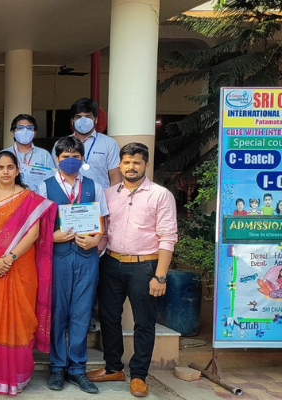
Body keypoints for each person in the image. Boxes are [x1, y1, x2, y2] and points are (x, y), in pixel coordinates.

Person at [87, 143, 177, 398]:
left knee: (144, 322)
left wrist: (160, 275)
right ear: (120, 165)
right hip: (111, 263)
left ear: (146, 164)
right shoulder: (108, 194)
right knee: (108, 317)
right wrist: (91, 252)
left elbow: (168, 237)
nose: (131, 167)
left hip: (144, 266)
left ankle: (138, 375)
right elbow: (104, 231)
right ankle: (113, 367)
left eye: (136, 162)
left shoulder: (160, 195)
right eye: (126, 162)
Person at [0, 151, 56, 396]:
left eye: (10, 167)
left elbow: (33, 233)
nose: (5, 172)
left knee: (20, 318)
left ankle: (17, 374)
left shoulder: (29, 198)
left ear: (18, 170)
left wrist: (9, 258)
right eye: (1, 167)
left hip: (20, 266)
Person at [36, 136, 108, 394]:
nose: (70, 161)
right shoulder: (44, 187)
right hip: (58, 257)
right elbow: (38, 226)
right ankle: (57, 367)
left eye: (75, 156)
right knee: (57, 312)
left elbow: (103, 222)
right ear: (56, 159)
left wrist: (96, 240)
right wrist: (51, 237)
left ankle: (77, 368)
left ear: (82, 159)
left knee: (82, 313)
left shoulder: (93, 186)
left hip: (87, 257)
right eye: (65, 157)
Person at [54, 98, 121, 190]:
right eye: (78, 117)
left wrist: (113, 197)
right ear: (72, 120)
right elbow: (55, 173)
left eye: (88, 116)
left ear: (95, 119)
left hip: (100, 196)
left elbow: (115, 178)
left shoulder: (109, 143)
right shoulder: (61, 143)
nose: (83, 120)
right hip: (69, 196)